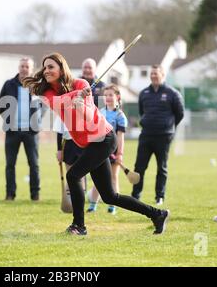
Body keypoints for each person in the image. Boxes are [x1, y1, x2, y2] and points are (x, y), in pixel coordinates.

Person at [23, 53, 170, 236]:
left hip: (103, 139)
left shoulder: (82, 84)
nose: (46, 71)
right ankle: (157, 214)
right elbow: (57, 102)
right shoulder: (48, 91)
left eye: (51, 67)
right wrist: (74, 97)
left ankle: (79, 226)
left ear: (61, 68)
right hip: (88, 143)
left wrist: (80, 104)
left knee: (73, 176)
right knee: (109, 196)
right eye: (45, 67)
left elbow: (90, 116)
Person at [132, 64, 184, 205]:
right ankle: (135, 196)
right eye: (152, 73)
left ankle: (159, 197)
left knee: (161, 168)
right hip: (146, 135)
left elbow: (180, 114)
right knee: (139, 167)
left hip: (164, 136)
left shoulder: (173, 93)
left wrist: (168, 126)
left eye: (156, 73)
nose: (154, 76)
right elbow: (142, 112)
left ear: (163, 75)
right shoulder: (144, 93)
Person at [0, 58, 42, 201]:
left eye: (27, 66)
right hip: (13, 131)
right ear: (19, 67)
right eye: (22, 66)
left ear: (31, 68)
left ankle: (35, 194)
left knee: (34, 164)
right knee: (10, 164)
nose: (24, 69)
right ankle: (10, 194)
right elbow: (0, 104)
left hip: (31, 131)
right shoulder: (9, 84)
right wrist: (8, 119)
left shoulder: (36, 86)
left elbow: (45, 105)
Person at [87, 84, 128, 215]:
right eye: (106, 95)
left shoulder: (120, 116)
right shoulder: (100, 112)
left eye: (111, 95)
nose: (108, 98)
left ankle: (113, 206)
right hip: (101, 152)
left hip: (114, 152)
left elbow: (121, 137)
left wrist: (120, 153)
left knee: (113, 178)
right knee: (98, 180)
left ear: (118, 97)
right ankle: (93, 205)